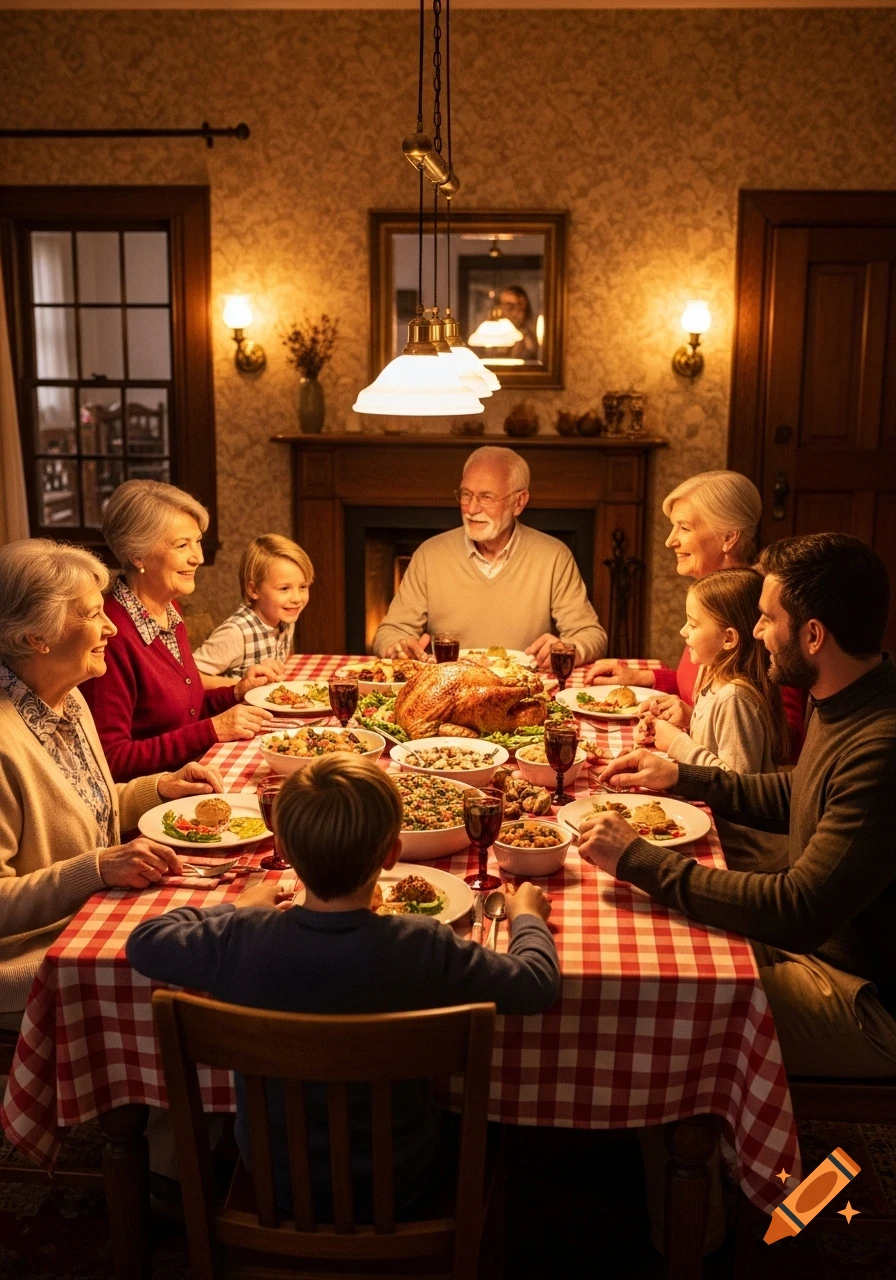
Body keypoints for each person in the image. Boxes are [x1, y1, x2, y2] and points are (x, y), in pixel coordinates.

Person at [126, 754, 561, 1217]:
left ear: (286, 852)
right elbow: (537, 984)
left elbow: (145, 943)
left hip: (277, 1182)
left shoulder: (242, 939)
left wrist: (237, 908)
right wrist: (528, 916)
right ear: (392, 853)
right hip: (401, 1183)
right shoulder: (422, 945)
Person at [581, 532, 896, 1078]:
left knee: (663, 1007)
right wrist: (681, 775)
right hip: (815, 948)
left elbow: (796, 909)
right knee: (655, 940)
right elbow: (796, 790)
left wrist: (637, 857)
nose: (756, 632)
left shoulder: (880, 747)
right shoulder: (844, 694)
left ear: (813, 635)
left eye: (768, 619)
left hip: (860, 996)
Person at [0, 539, 223, 1029]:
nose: (110, 629)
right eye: (91, 616)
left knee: (226, 918)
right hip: (36, 957)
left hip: (96, 914)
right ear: (38, 636)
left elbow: (86, 806)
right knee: (203, 976)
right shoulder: (4, 742)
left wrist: (161, 789)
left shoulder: (68, 699)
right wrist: (98, 867)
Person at [585, 469, 807, 759]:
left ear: (728, 537)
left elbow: (785, 734)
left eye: (684, 528)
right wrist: (644, 677)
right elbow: (710, 683)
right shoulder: (711, 599)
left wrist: (698, 723)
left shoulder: (756, 609)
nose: (670, 541)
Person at [83, 480, 275, 782]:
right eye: (182, 545)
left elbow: (183, 714)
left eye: (197, 542)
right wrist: (213, 729)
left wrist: (236, 692)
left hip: (193, 774)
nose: (197, 556)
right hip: (152, 801)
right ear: (138, 554)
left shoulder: (170, 611)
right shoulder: (110, 634)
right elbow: (111, 759)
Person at [372, 446, 607, 670]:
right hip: (451, 688)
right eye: (466, 495)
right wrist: (398, 647)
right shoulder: (429, 554)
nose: (471, 509)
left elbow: (590, 634)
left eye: (486, 497)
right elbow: (389, 632)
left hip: (523, 689)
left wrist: (569, 649)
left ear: (519, 502)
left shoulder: (554, 556)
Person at [638, 567, 791, 871]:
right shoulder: (710, 674)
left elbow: (737, 787)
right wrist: (682, 722)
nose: (683, 632)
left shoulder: (735, 697)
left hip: (746, 857)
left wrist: (679, 745)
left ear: (729, 639)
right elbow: (713, 746)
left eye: (693, 624)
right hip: (715, 829)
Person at [192, 534, 314, 682]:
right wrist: (240, 685)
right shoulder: (235, 634)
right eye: (284, 588)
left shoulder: (285, 621)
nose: (296, 599)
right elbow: (189, 679)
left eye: (303, 586)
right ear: (254, 590)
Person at [496, 285, 539, 361]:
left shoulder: (529, 336)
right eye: (509, 306)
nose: (517, 312)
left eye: (521, 306)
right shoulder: (490, 333)